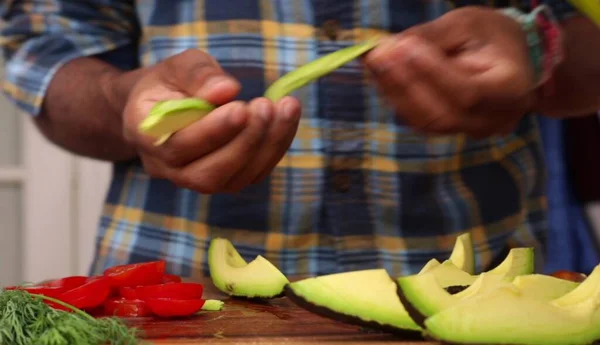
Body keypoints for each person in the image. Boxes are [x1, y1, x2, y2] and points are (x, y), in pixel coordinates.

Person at [2, 0, 600, 279]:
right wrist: (124, 100)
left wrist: (539, 50)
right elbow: (51, 56)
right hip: (174, 302)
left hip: (480, 296)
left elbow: (588, 49)